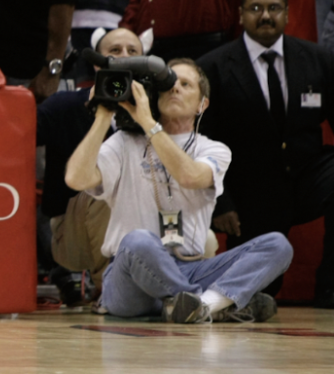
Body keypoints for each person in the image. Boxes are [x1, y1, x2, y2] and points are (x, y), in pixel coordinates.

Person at [65, 57, 293, 323]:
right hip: (130, 273)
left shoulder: (213, 149)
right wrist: (103, 116)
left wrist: (150, 124)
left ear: (202, 104)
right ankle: (214, 304)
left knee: (277, 245)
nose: (175, 89)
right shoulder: (124, 142)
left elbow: (189, 176)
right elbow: (75, 179)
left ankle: (195, 306)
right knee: (139, 240)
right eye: (170, 83)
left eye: (186, 84)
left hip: (190, 267)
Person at [199, 0, 334, 308]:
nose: (265, 16)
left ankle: (330, 287)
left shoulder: (317, 59)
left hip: (305, 178)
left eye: (274, 8)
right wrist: (221, 202)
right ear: (241, 14)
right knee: (260, 295)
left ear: (287, 14)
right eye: (256, 8)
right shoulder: (213, 67)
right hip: (250, 193)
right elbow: (200, 143)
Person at [38, 27, 145, 304]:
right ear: (98, 62)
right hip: (72, 232)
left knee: (204, 239)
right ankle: (113, 290)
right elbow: (11, 140)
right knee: (104, 189)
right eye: (115, 51)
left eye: (133, 51)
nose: (124, 57)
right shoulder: (62, 106)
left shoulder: (158, 110)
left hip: (142, 224)